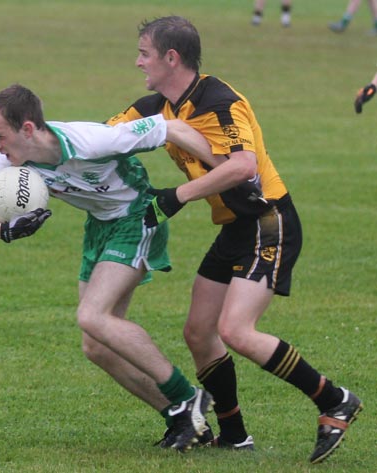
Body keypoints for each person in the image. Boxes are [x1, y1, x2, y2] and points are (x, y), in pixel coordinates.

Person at [106, 16, 363, 464]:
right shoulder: (156, 107)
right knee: (199, 332)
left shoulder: (219, 100)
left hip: (268, 220)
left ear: (172, 57)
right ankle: (235, 434)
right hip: (234, 229)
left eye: (144, 53)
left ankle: (334, 399)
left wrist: (178, 196)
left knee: (235, 330)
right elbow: (104, 136)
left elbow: (244, 166)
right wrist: (45, 146)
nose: (137, 62)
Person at [0, 83, 216, 452]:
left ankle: (188, 397)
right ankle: (183, 419)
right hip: (100, 228)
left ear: (27, 129)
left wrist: (226, 171)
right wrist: (4, 229)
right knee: (96, 346)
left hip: (137, 218)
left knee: (92, 316)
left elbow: (174, 128)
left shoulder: (92, 139)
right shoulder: (10, 162)